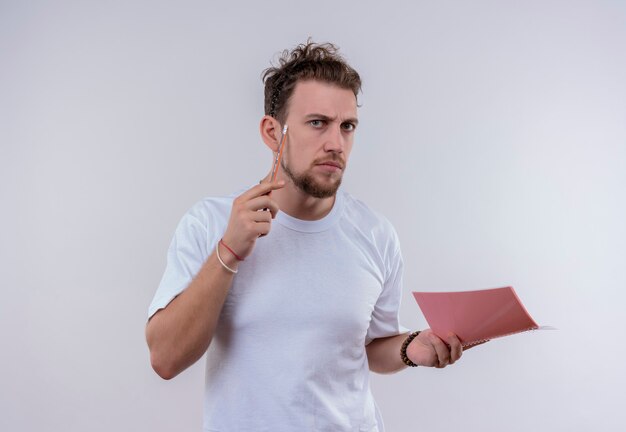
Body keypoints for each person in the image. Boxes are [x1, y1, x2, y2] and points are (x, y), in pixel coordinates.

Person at [146, 41, 466, 432]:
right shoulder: (210, 223)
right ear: (272, 132)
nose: (336, 143)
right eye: (318, 123)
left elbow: (369, 348)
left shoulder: (376, 234)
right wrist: (228, 253)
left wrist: (408, 348)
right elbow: (165, 358)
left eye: (347, 126)